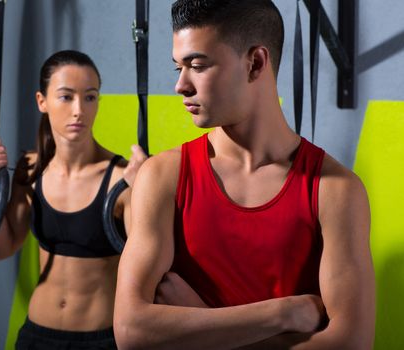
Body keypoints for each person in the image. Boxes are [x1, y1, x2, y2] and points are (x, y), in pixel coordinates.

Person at [114, 1, 375, 349]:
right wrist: (282, 315)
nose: (180, 85)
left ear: (255, 63)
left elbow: (351, 344)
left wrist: (199, 318)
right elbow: (132, 332)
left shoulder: (335, 191)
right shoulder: (163, 176)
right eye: (178, 67)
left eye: (198, 65)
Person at [0, 50, 146, 350]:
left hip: (102, 338)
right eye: (66, 97)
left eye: (90, 97)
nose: (79, 109)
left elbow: (145, 265)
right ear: (42, 101)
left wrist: (145, 191)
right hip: (37, 336)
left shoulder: (122, 178)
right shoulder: (30, 169)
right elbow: (2, 247)